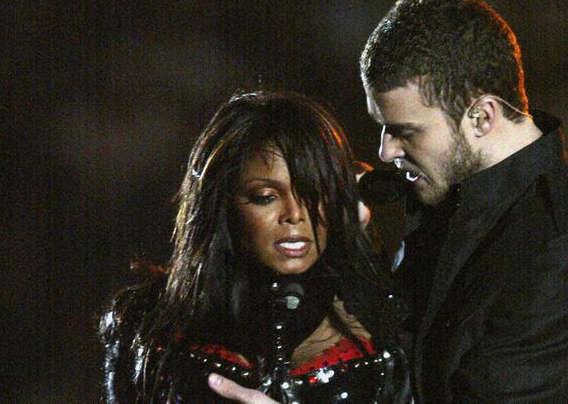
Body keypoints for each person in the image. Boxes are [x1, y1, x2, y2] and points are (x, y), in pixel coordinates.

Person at [358, 0, 568, 403]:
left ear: (482, 116)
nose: (386, 151)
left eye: (404, 131)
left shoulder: (565, 252)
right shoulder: (452, 189)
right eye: (383, 128)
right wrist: (358, 245)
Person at [99, 91, 410, 403]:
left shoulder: (388, 322)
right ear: (222, 204)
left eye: (316, 192)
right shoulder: (147, 324)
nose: (295, 215)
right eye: (265, 197)